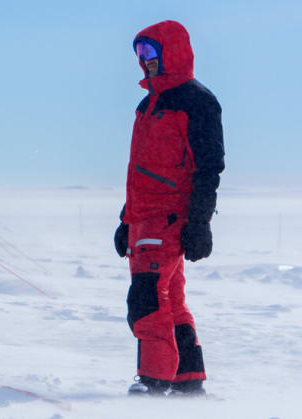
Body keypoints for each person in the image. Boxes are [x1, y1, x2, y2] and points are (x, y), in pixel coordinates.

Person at [114, 20, 224, 397]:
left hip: (170, 219)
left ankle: (153, 383)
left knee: (145, 298)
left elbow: (209, 167)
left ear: (171, 51)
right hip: (143, 219)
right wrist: (124, 219)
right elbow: (141, 170)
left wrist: (200, 222)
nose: (144, 61)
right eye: (139, 53)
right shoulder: (148, 103)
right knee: (170, 300)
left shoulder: (197, 101)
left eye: (151, 52)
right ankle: (187, 380)